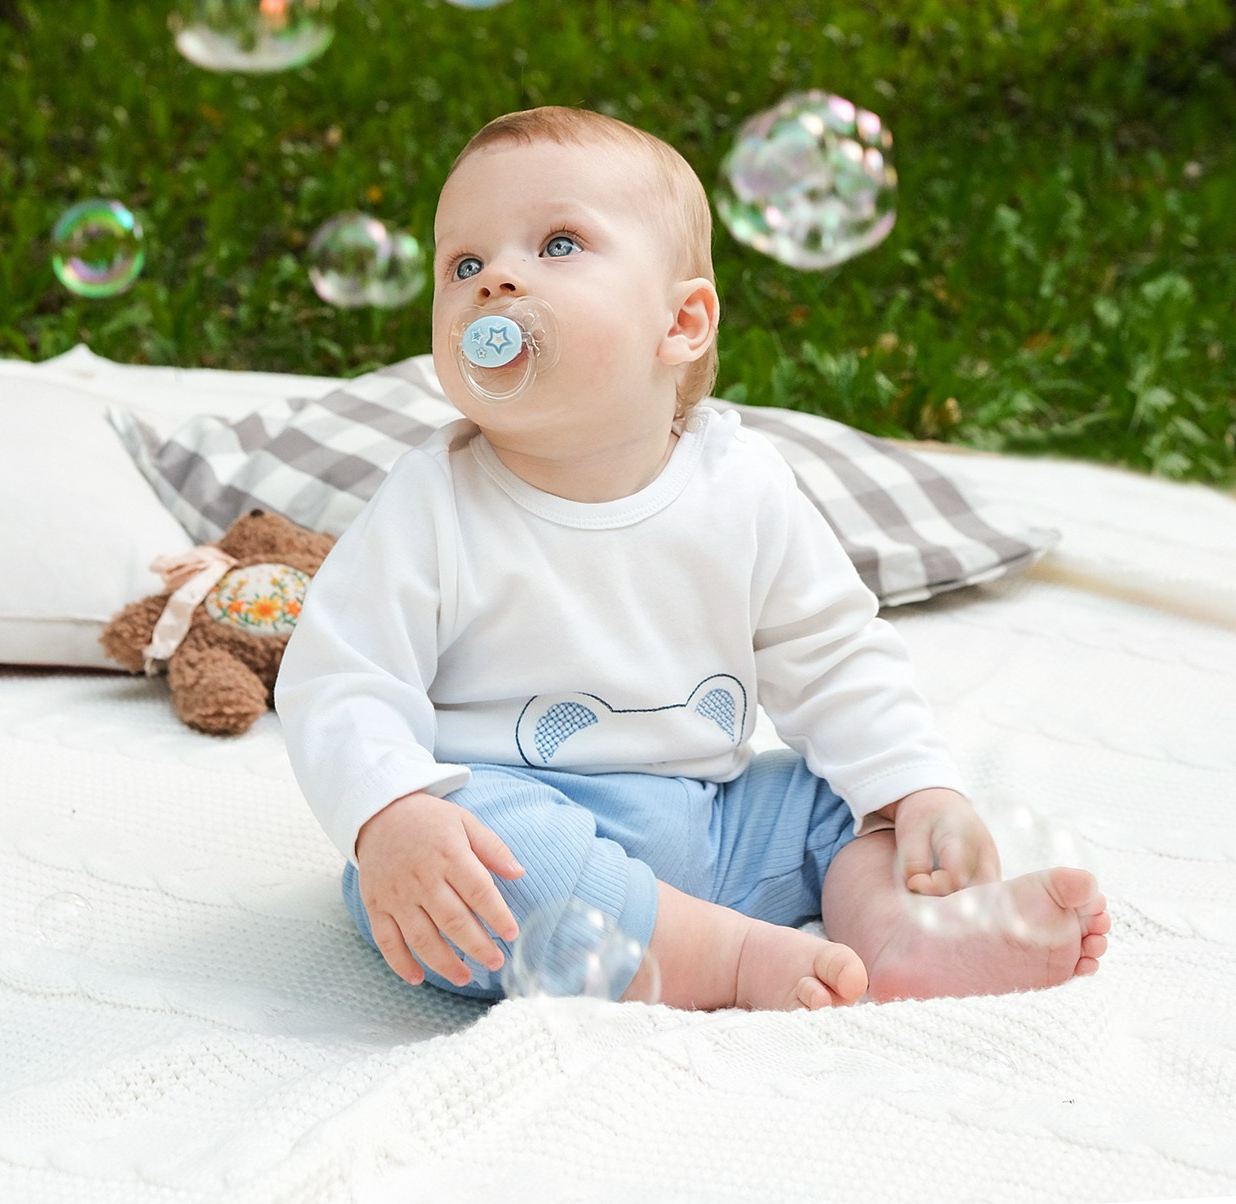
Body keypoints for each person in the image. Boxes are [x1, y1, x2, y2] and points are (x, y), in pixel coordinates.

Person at [276, 105, 1110, 1011]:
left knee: (845, 800)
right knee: (461, 862)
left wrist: (917, 788)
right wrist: (392, 812)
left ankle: (902, 934)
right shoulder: (431, 500)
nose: (496, 281)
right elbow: (341, 678)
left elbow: (832, 653)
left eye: (558, 244)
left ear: (682, 321)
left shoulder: (741, 484)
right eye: (463, 265)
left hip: (714, 822)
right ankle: (723, 958)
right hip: (520, 827)